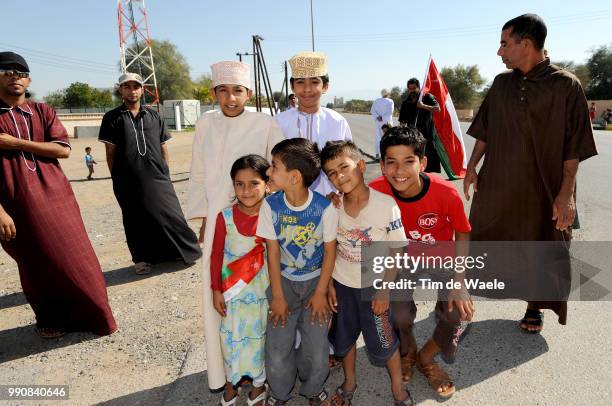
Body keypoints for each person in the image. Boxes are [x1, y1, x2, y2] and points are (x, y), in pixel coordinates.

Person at [463, 14, 597, 333]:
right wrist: (471, 167)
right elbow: (486, 130)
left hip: (545, 186)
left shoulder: (566, 85)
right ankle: (457, 297)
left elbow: (574, 147)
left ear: (526, 44)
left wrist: (566, 196)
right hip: (500, 181)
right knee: (482, 233)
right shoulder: (501, 83)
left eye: (504, 44)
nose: (499, 52)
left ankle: (534, 307)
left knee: (542, 241)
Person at [0, 52, 116, 338]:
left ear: (28, 80)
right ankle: (50, 318)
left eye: (21, 72)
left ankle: (95, 316)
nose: (15, 76)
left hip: (56, 197)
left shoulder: (42, 111)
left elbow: (62, 149)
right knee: (34, 263)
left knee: (76, 258)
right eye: (7, 70)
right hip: (14, 203)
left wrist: (15, 143)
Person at [186, 60, 284, 391]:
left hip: (260, 218)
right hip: (218, 218)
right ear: (214, 93)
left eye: (238, 91)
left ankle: (259, 373)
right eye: (223, 91)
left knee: (261, 303)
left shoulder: (264, 122)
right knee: (220, 301)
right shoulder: (205, 123)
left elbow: (279, 167)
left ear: (249, 93)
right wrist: (202, 219)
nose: (230, 98)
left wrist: (274, 201)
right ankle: (225, 373)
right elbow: (198, 173)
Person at [370, 126, 474, 399]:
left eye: (408, 161)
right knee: (397, 314)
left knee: (459, 313)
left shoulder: (445, 193)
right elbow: (351, 206)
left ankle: (427, 357)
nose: (399, 170)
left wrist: (459, 280)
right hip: (400, 260)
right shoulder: (376, 191)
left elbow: (463, 231)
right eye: (391, 162)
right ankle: (408, 351)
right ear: (381, 165)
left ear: (423, 163)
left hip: (441, 259)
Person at [321, 140, 414, 406]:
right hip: (342, 285)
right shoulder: (332, 208)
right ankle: (349, 382)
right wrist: (328, 285)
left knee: (386, 341)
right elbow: (330, 249)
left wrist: (385, 289)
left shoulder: (386, 205)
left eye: (344, 168)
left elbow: (397, 250)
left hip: (374, 286)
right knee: (346, 337)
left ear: (361, 166)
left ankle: (397, 387)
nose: (339, 176)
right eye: (331, 173)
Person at [256, 138, 337, 405]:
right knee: (278, 348)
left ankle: (313, 389)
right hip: (284, 285)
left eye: (274, 166)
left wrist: (321, 292)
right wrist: (278, 296)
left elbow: (329, 252)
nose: (268, 172)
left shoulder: (324, 209)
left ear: (293, 177)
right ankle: (279, 392)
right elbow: (273, 251)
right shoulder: (271, 206)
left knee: (316, 347)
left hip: (316, 284)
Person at [99, 73, 201, 276]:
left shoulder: (154, 115)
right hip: (127, 177)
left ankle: (181, 251)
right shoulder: (112, 117)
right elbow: (110, 152)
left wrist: (165, 171)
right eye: (126, 87)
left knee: (170, 213)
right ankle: (142, 259)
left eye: (135, 86)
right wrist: (117, 177)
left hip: (157, 176)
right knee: (134, 217)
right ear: (120, 90)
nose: (131, 90)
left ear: (142, 89)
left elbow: (163, 147)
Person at [210, 155, 270, 406]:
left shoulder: (273, 214)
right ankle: (230, 383)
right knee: (230, 340)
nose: (246, 191)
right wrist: (216, 290)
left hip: (261, 295)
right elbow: (216, 255)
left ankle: (258, 386)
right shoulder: (225, 217)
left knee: (259, 340)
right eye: (239, 184)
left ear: (267, 184)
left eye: (254, 183)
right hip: (232, 296)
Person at [275, 51, 353, 198]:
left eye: (314, 82)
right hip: (287, 203)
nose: (307, 89)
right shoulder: (278, 122)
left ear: (325, 87)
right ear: (292, 86)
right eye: (300, 82)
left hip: (329, 201)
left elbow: (348, 165)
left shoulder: (338, 122)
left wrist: (342, 194)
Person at [398, 78, 442, 173]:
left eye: (414, 88)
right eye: (410, 88)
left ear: (419, 87)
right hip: (412, 138)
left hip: (426, 138)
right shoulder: (406, 103)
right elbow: (402, 122)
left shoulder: (427, 97)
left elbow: (438, 108)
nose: (412, 91)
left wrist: (423, 106)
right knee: (413, 164)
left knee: (427, 167)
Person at [370, 89, 394, 161]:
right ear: (388, 93)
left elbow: (372, 110)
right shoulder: (390, 101)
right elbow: (390, 112)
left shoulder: (376, 101)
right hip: (387, 122)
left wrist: (378, 117)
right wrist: (383, 118)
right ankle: (387, 154)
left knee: (378, 137)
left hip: (378, 122)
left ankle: (377, 154)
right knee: (388, 137)